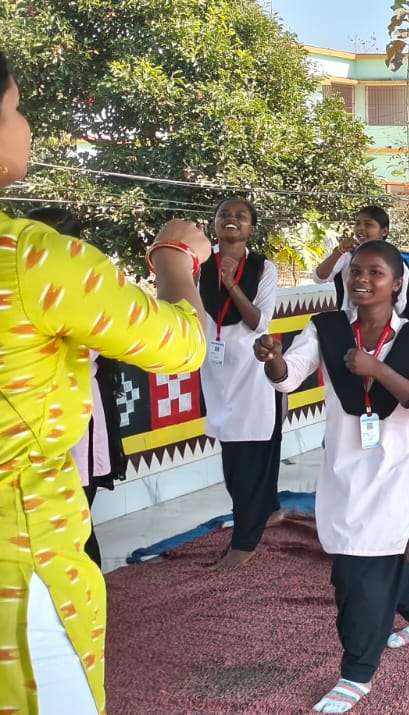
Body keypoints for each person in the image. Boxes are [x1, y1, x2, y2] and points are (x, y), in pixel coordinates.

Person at [1, 51, 212, 713]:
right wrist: (175, 261)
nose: (26, 124)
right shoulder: (34, 260)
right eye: (16, 108)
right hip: (22, 569)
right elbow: (184, 344)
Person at [255, 240, 409, 714]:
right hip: (343, 467)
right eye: (356, 271)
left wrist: (378, 370)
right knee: (361, 553)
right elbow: (288, 376)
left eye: (375, 273)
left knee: (359, 573)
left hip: (393, 471)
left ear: (397, 283)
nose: (361, 280)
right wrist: (273, 358)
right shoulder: (328, 328)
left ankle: (357, 672)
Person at [29, 209, 128, 570]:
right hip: (32, 425)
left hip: (75, 422)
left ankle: (88, 592)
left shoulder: (88, 295)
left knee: (73, 519)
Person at [201, 198, 288, 571]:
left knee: (251, 453)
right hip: (218, 371)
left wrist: (232, 285)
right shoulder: (200, 264)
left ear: (252, 227)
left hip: (254, 369)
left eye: (240, 216)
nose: (231, 220)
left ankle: (245, 540)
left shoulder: (263, 268)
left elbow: (258, 321)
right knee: (233, 453)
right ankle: (267, 511)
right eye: (224, 214)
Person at [313, 206, 409, 317]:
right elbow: (319, 278)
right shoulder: (347, 256)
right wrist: (339, 251)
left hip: (382, 322)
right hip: (349, 322)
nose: (360, 229)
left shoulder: (396, 262)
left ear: (384, 231)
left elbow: (400, 304)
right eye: (357, 224)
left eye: (368, 225)